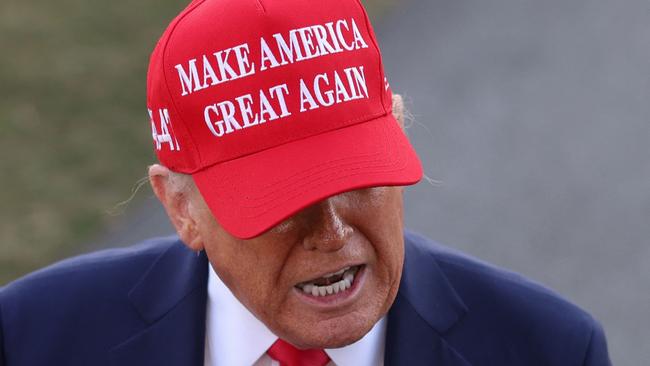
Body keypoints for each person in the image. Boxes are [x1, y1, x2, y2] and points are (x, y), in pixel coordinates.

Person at [0, 0, 611, 365]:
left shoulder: (548, 350)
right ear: (180, 207)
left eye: (357, 177)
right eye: (280, 201)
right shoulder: (33, 339)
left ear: (398, 129)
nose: (333, 232)